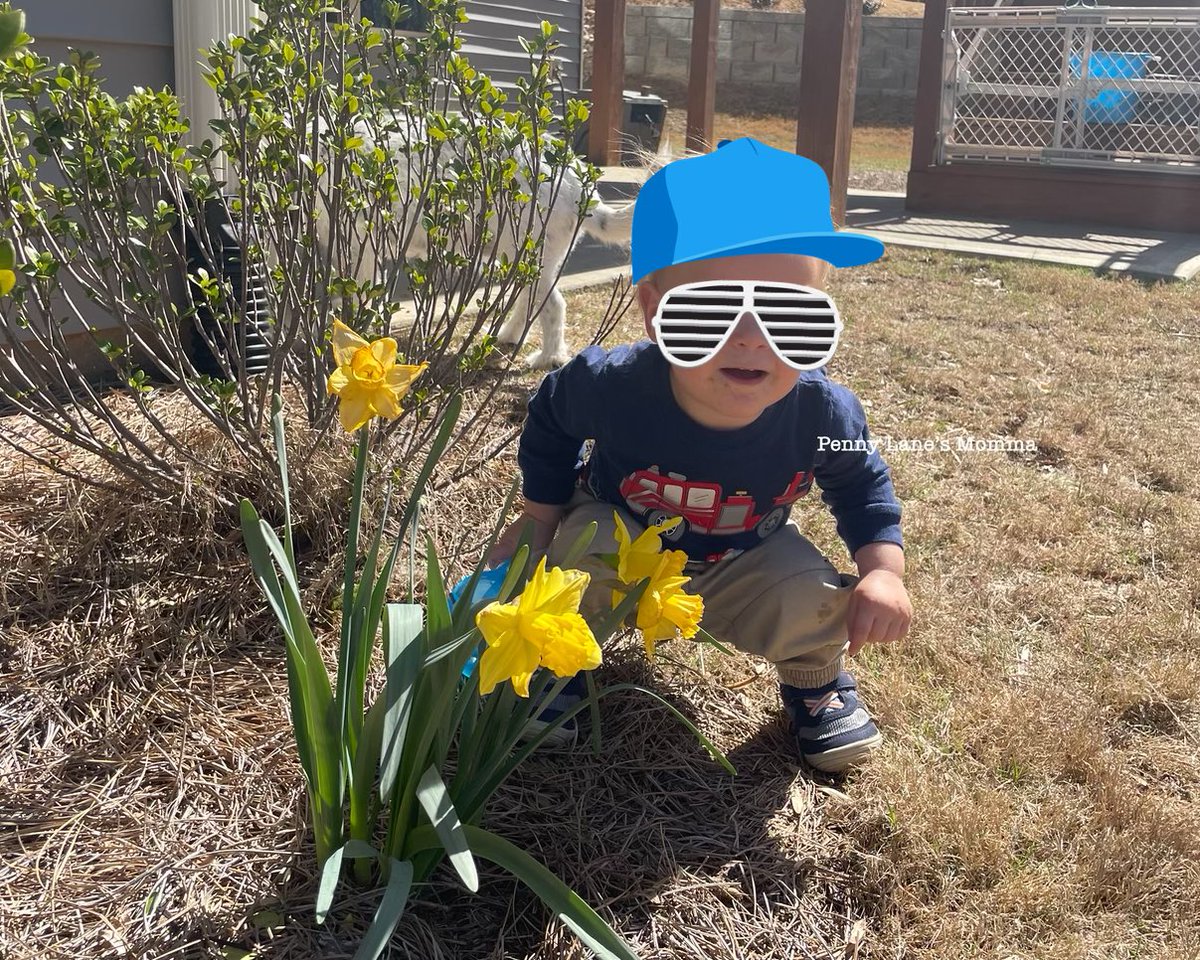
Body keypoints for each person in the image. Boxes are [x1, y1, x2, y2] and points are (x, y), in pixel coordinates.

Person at [489, 137, 912, 774]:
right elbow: (550, 419)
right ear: (654, 312)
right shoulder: (610, 386)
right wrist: (538, 515)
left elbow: (861, 488)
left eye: (791, 317)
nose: (750, 340)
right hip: (623, 529)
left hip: (745, 554)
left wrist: (883, 573)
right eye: (708, 313)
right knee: (579, 552)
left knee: (815, 595)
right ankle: (557, 661)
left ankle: (815, 680)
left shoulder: (821, 411)